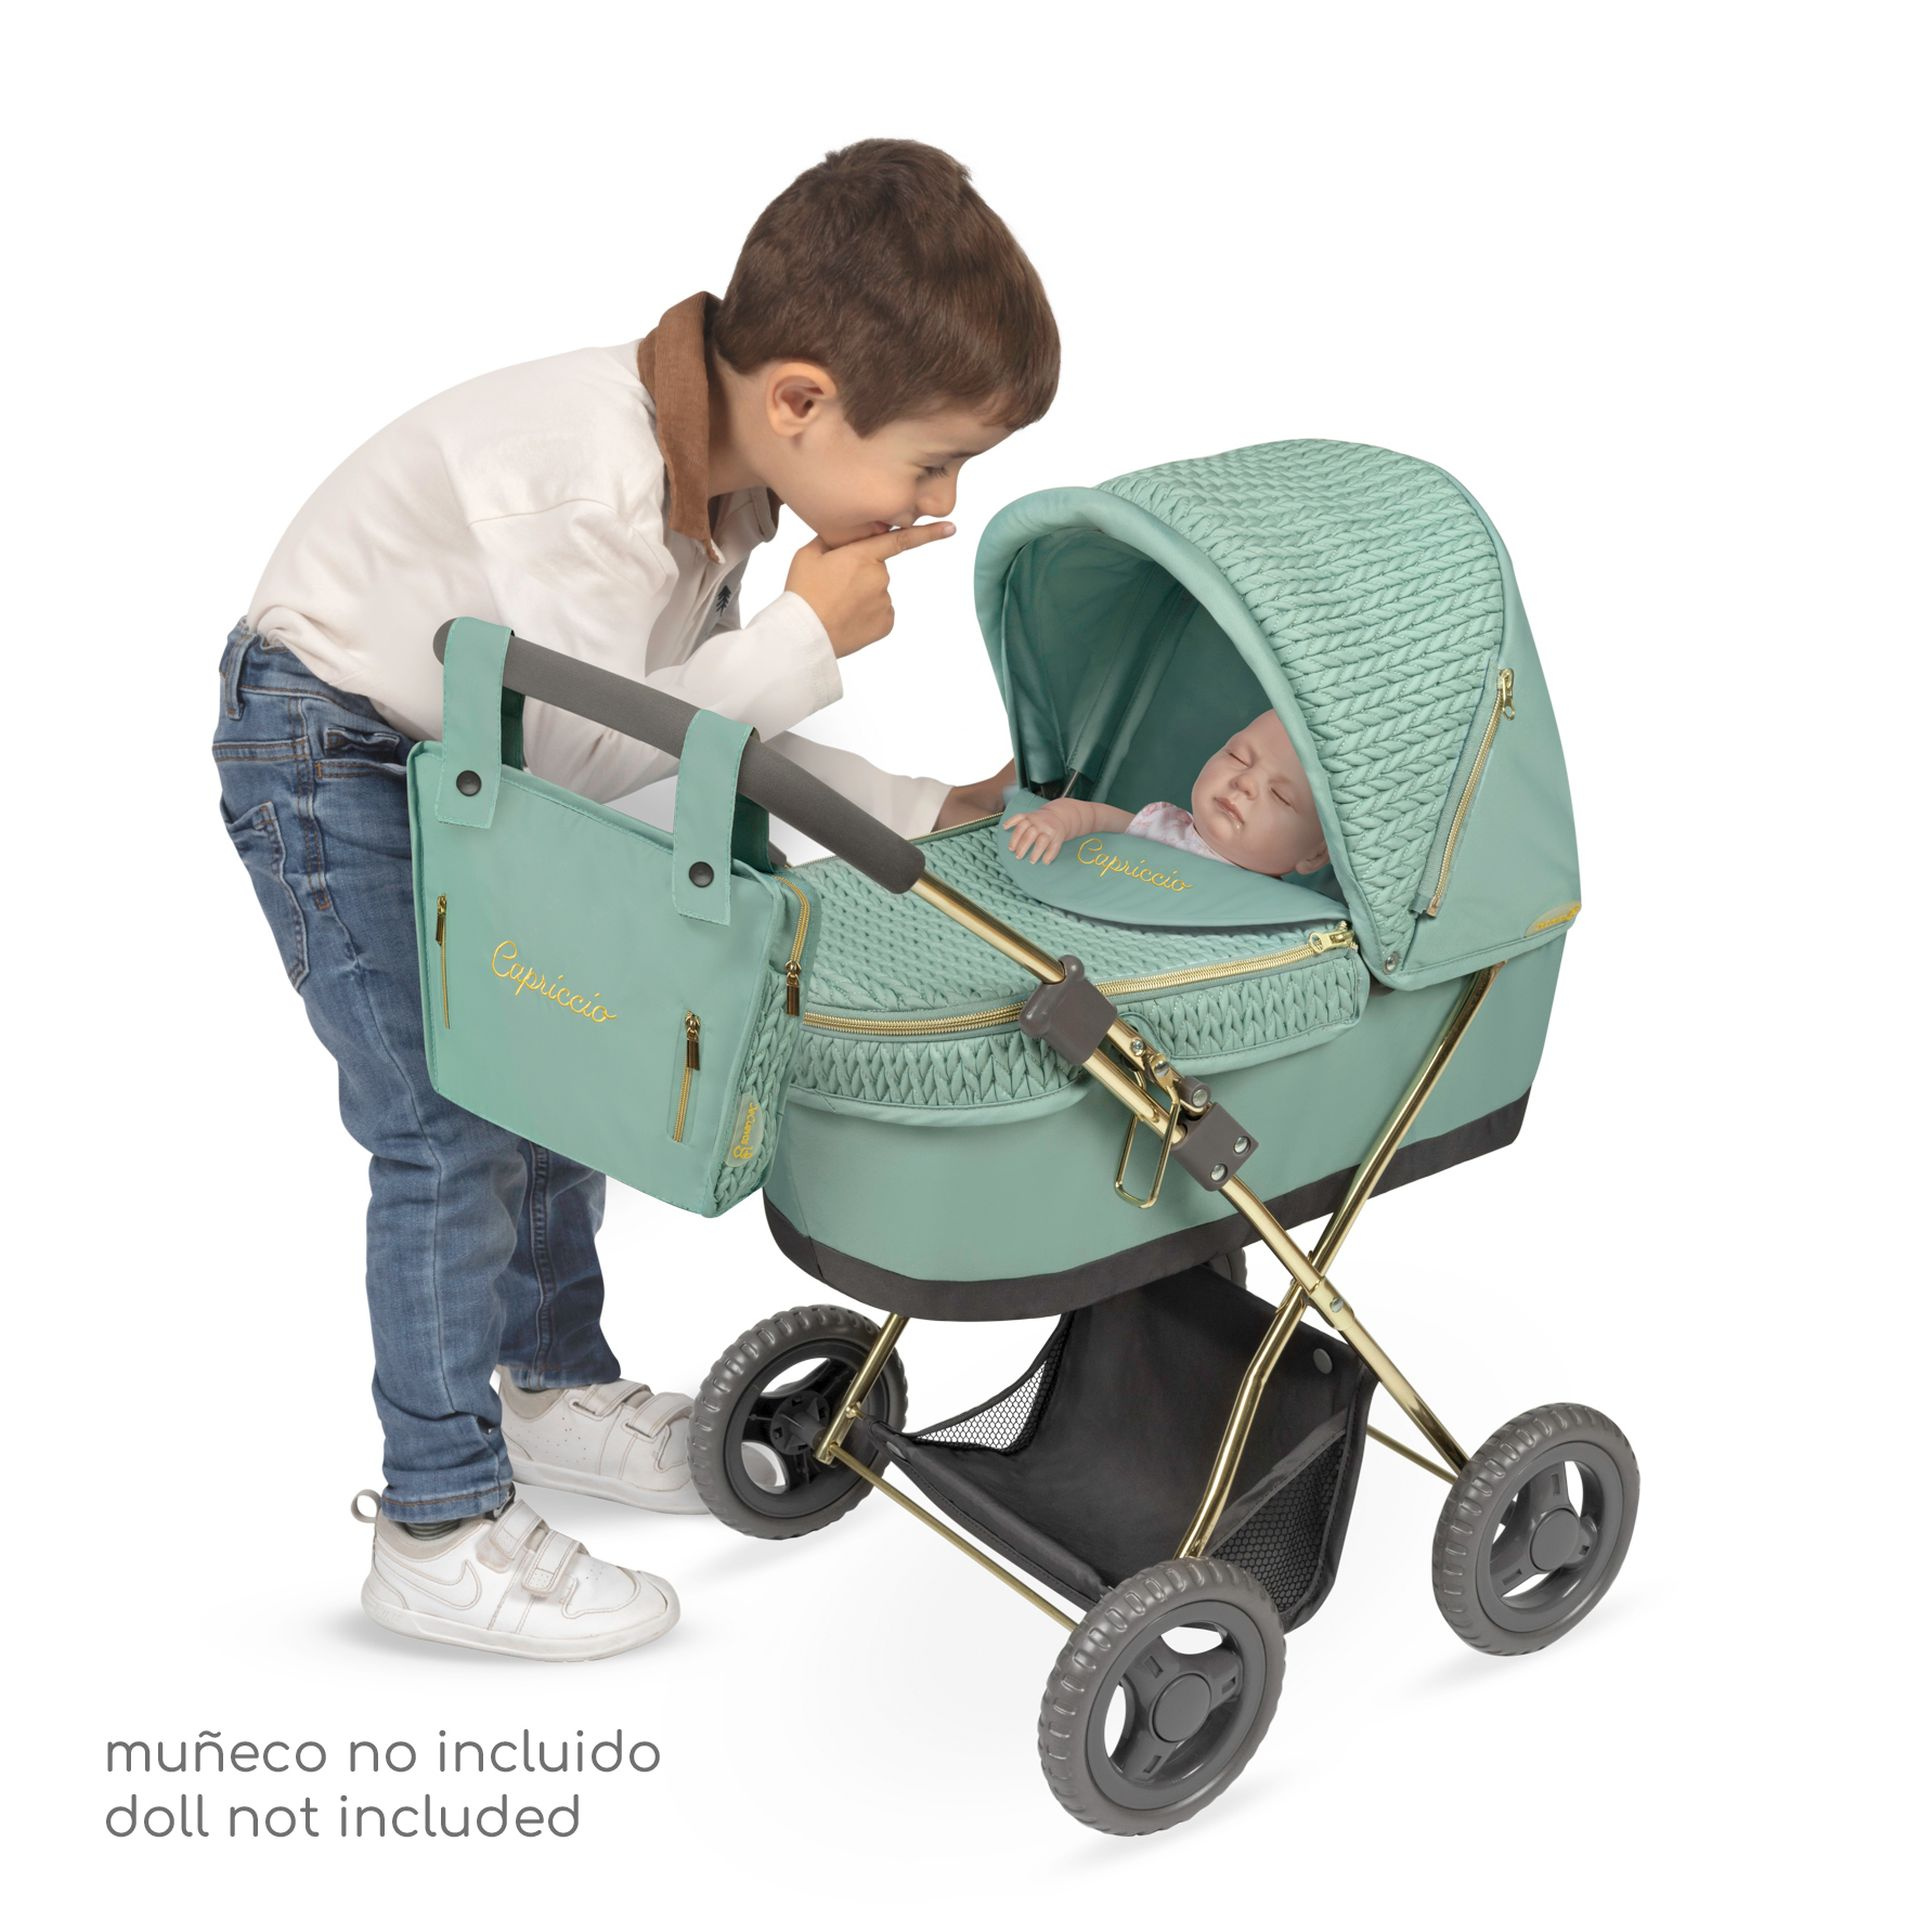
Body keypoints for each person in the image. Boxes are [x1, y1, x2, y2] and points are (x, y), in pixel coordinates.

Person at [214, 138, 1057, 1661]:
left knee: (545, 1056)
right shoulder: (584, 488)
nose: (936, 504)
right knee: (445, 1122)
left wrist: (934, 809)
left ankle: (547, 1392)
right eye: (932, 461)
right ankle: (436, 1526)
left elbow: (693, 739)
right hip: (337, 750)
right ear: (799, 401)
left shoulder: (721, 493)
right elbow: (596, 762)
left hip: (461, 757)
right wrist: (801, 634)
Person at [1003, 710, 1327, 877]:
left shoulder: (1284, 916)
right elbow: (1091, 816)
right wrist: (1055, 820)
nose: (1246, 782)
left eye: (1280, 795)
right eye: (1237, 757)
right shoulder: (1160, 826)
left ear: (1315, 854)